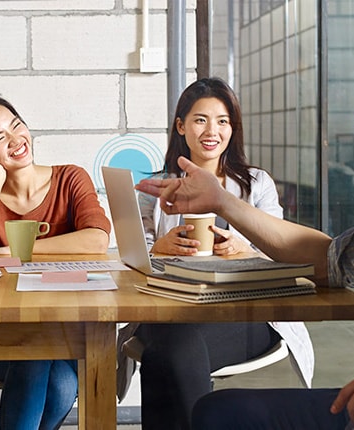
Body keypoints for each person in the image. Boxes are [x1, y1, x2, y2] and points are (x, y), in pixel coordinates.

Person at [136, 28, 354, 430]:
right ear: (181, 127)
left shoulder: (256, 181)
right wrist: (221, 201)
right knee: (214, 406)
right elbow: (334, 260)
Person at [119, 77, 314, 430]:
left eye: (223, 121)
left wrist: (244, 250)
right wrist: (158, 249)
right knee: (171, 342)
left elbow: (283, 254)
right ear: (181, 126)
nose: (213, 130)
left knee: (167, 350)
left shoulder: (256, 184)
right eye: (200, 119)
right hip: (170, 309)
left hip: (243, 312)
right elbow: (133, 258)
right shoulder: (157, 186)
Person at [0, 95, 111, 429]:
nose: (15, 141)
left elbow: (96, 239)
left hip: (69, 330)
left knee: (53, 367)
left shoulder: (70, 178)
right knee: (47, 363)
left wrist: (17, 252)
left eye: (16, 125)